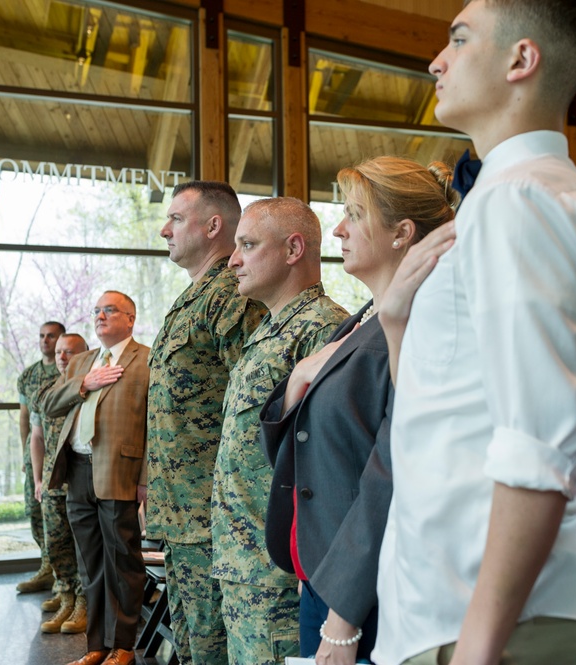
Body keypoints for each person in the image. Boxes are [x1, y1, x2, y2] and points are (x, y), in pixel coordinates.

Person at [374, 1, 576, 663]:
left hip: (503, 622)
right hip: (455, 609)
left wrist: (477, 648)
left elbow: (539, 445)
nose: (436, 59)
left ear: (520, 59)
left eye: (457, 38)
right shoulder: (507, 196)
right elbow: (450, 408)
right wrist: (397, 320)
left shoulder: (521, 199)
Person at [259, 158, 458, 664]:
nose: (340, 229)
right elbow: (305, 445)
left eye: (355, 214)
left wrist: (344, 617)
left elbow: (391, 473)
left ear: (402, 234)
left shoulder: (415, 326)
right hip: (326, 573)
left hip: (365, 590)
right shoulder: (361, 320)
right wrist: (296, 381)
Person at [212, 197, 348, 665]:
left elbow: (328, 468)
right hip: (243, 566)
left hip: (278, 579)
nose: (232, 260)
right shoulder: (269, 329)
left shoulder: (324, 330)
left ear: (293, 249)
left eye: (247, 245)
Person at [145, 181, 266, 665]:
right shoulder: (193, 298)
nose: (163, 229)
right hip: (181, 516)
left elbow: (256, 409)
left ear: (213, 225)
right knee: (194, 648)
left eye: (175, 218)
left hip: (215, 519)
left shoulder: (232, 297)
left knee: (213, 649)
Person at [41, 291, 151, 665]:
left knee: (123, 564)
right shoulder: (82, 362)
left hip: (121, 472)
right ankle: (96, 648)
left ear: (130, 318)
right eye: (96, 311)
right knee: (91, 564)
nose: (100, 316)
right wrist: (85, 383)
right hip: (78, 472)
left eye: (110, 310)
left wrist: (146, 479)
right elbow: (49, 404)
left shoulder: (146, 360)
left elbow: (154, 424)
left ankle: (123, 647)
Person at [30, 332, 89, 634]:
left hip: (80, 479)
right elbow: (36, 438)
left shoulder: (91, 385)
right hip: (53, 481)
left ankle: (83, 603)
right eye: (59, 352)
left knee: (82, 546)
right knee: (55, 543)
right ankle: (65, 595)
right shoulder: (45, 391)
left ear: (85, 354)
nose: (63, 357)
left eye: (70, 352)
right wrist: (38, 478)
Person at [16, 320, 66, 594]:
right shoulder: (28, 376)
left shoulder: (70, 369)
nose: (45, 341)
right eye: (41, 336)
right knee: (35, 513)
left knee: (59, 519)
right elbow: (25, 418)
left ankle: (64, 578)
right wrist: (26, 456)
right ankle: (47, 568)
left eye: (51, 336)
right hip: (35, 454)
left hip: (60, 456)